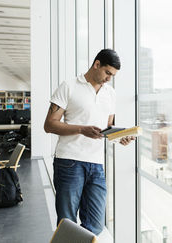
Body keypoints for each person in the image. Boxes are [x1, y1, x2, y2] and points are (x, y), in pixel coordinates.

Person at [44, 49, 135, 235]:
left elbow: (108, 126)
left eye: (113, 76)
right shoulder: (68, 86)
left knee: (95, 224)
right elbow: (49, 125)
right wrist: (81, 129)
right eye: (107, 73)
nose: (109, 79)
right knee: (67, 223)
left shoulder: (110, 93)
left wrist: (120, 137)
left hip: (96, 165)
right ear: (96, 64)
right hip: (69, 161)